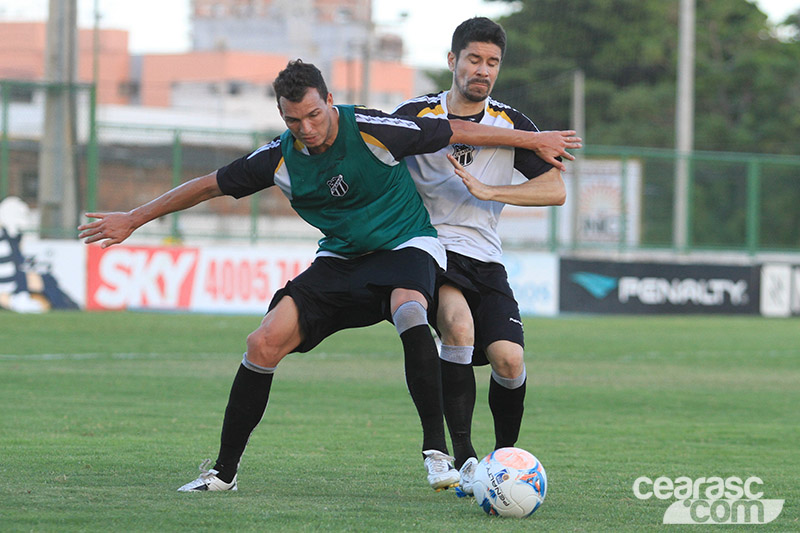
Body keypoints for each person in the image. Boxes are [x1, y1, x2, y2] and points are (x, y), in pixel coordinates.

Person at [78, 60, 580, 493]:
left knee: (409, 306)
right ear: (282, 116)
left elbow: (456, 130)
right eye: (295, 120)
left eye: (315, 115)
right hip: (341, 259)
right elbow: (209, 186)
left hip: (407, 245)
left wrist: (531, 139)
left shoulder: (371, 128)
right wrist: (133, 219)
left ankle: (437, 452)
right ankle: (223, 473)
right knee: (262, 342)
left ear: (330, 102)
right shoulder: (281, 158)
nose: (308, 128)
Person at [392, 17, 576, 496]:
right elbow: (379, 162)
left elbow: (556, 189)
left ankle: (504, 462)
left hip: (485, 257)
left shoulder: (512, 123)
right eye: (474, 59)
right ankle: (466, 458)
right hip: (430, 248)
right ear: (452, 61)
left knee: (509, 360)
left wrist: (490, 188)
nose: (483, 70)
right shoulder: (415, 113)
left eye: (492, 62)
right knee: (457, 325)